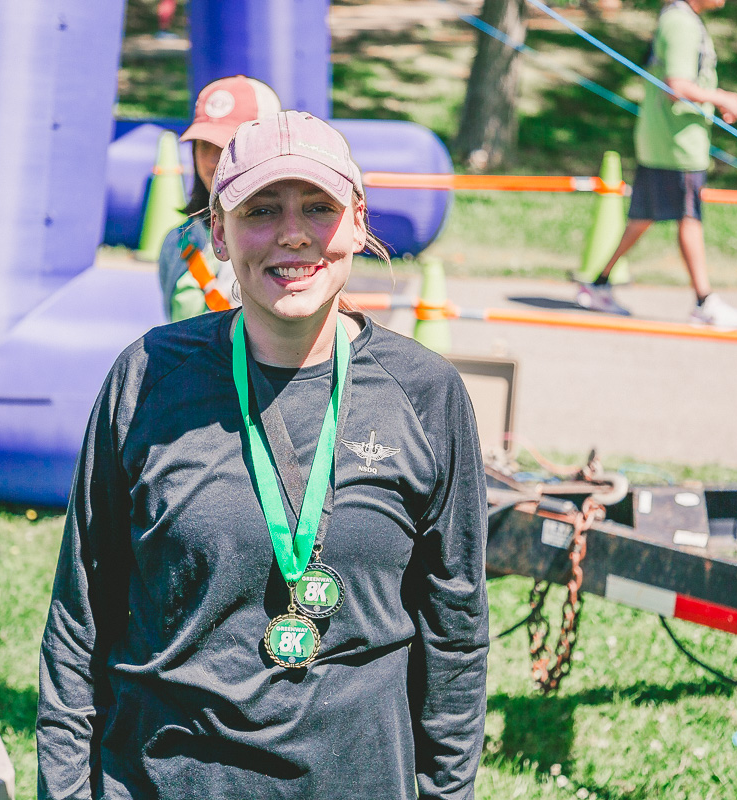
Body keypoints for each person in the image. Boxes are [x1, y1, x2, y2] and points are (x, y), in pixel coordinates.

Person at [38, 110, 490, 800]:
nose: (293, 233)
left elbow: (455, 634)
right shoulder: (149, 378)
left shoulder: (426, 394)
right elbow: (80, 620)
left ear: (358, 221)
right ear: (219, 232)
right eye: (261, 209)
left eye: (318, 207)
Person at [576, 0, 737, 327]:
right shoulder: (681, 23)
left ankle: (597, 284)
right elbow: (677, 86)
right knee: (689, 217)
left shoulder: (677, 19)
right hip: (676, 145)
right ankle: (704, 301)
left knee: (643, 218)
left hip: (665, 141)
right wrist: (722, 97)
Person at [157, 74, 280, 322]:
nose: (214, 161)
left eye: (227, 145)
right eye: (204, 144)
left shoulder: (291, 242)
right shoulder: (178, 243)